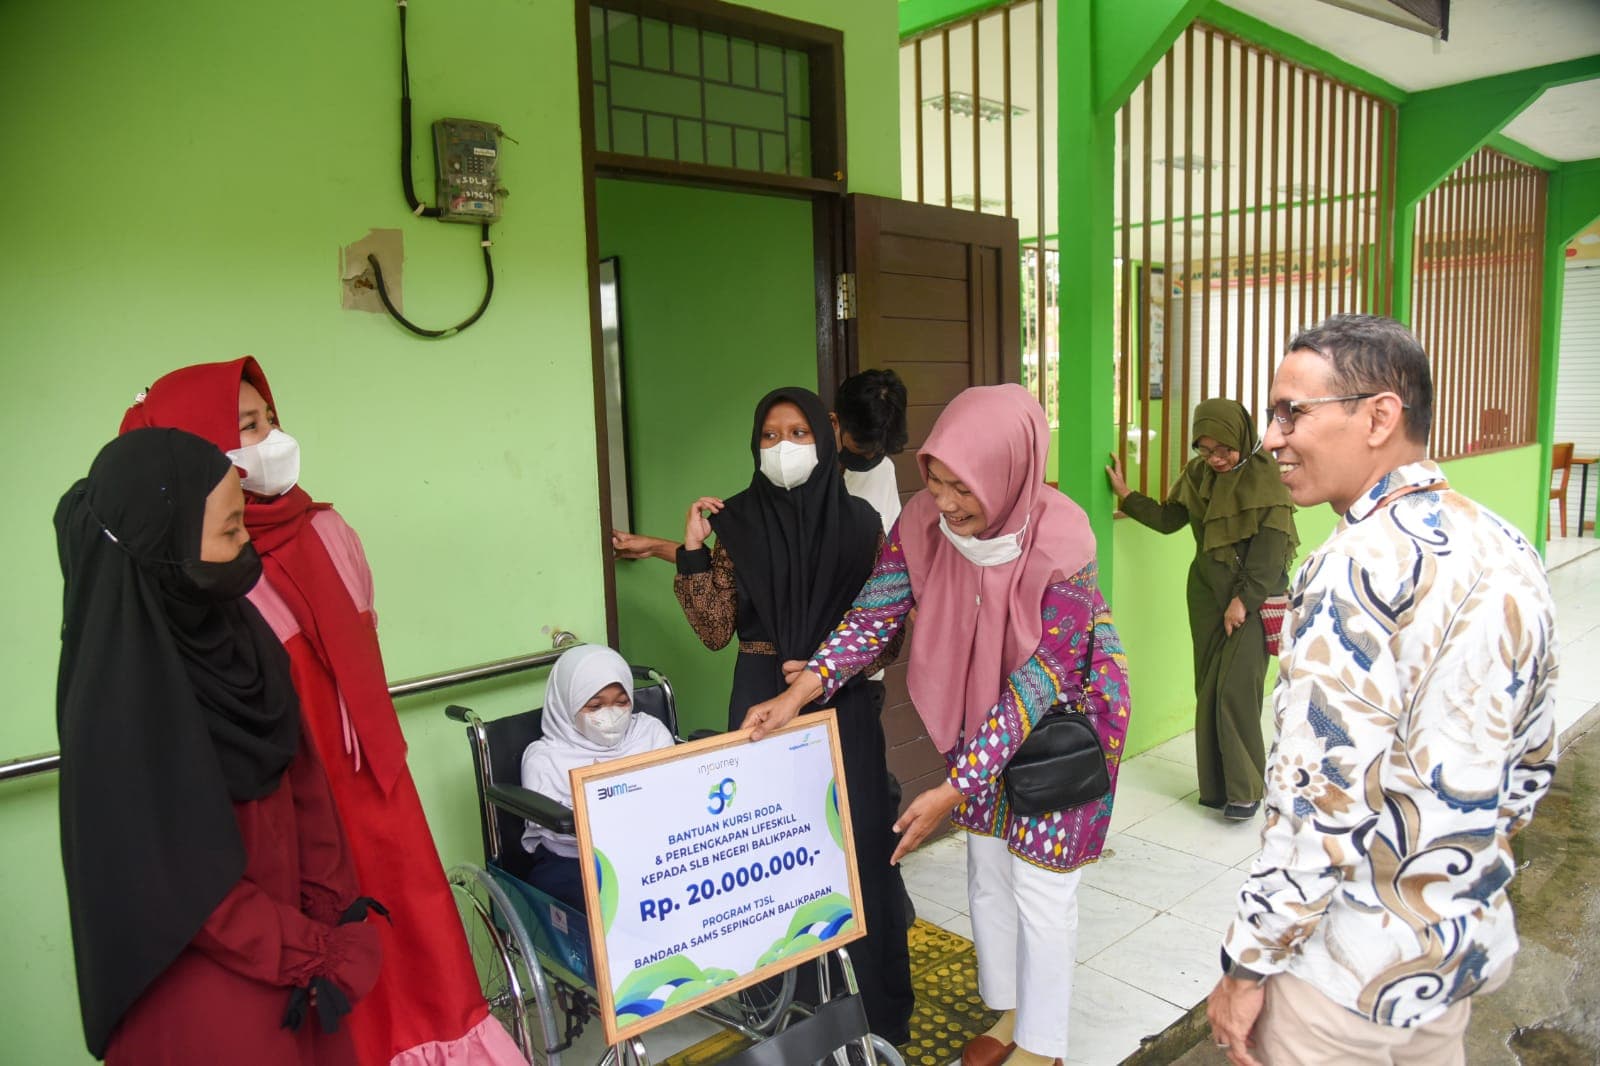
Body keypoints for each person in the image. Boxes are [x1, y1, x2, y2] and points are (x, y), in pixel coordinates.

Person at [119, 359, 525, 1066]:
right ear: (194, 447)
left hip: (373, 787)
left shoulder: (328, 529)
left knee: (414, 949)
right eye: (247, 427)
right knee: (328, 975)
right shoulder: (197, 572)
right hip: (286, 809)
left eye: (270, 418)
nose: (271, 438)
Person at [1205, 315, 1559, 1066]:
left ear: (1379, 416)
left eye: (1291, 411)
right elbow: (1529, 766)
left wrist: (1246, 966)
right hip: (1450, 957)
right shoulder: (1506, 545)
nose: (1271, 437)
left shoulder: (1352, 568)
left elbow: (1316, 806)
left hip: (1342, 978)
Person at [744, 384, 1133, 1066]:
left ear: (1011, 474)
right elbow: (874, 616)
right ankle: (1013, 1013)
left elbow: (1038, 683)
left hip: (1061, 724)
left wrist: (953, 787)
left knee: (1041, 884)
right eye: (937, 480)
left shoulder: (1064, 538)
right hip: (976, 714)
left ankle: (1042, 1050)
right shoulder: (921, 524)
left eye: (965, 487)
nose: (947, 503)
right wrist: (799, 694)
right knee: (987, 868)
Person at [54, 428, 383, 1064]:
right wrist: (307, 951)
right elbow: (180, 884)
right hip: (205, 987)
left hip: (297, 970)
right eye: (230, 532)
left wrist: (333, 916)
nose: (246, 548)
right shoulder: (121, 698)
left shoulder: (240, 639)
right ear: (163, 551)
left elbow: (304, 780)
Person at [672, 386, 915, 1045]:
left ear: (826, 440)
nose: (785, 447)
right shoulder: (734, 523)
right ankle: (790, 1012)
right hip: (757, 707)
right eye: (771, 435)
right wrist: (693, 548)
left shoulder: (865, 525)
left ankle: (883, 1016)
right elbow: (716, 628)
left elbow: (889, 631)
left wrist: (824, 666)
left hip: (843, 709)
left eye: (800, 433)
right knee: (772, 857)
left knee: (860, 851)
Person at [1105, 399, 1297, 819]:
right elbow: (1169, 519)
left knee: (1234, 691)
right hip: (1206, 596)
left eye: (1223, 449)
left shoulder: (1267, 479)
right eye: (1205, 450)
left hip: (1253, 598)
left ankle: (1246, 789)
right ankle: (1218, 789)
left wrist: (1241, 603)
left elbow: (1269, 556)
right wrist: (1126, 496)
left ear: (1241, 438)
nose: (1216, 459)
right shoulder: (1198, 476)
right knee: (1208, 689)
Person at [611, 367, 910, 559]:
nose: (867, 463)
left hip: (852, 649)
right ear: (832, 423)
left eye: (876, 454)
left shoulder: (881, 475)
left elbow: (888, 570)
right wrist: (652, 546)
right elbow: (741, 569)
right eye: (772, 435)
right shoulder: (787, 481)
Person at [519, 644, 674, 910]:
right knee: (614, 905)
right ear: (567, 705)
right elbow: (559, 832)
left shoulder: (649, 733)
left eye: (622, 702)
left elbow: (676, 788)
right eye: (595, 705)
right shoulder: (545, 759)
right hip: (575, 861)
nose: (611, 714)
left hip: (651, 850)